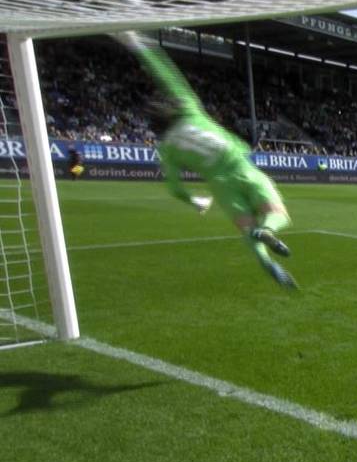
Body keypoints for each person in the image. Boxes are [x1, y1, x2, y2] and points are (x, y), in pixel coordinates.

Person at [111, 30, 297, 289]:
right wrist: (137, 43)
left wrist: (194, 200)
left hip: (221, 186)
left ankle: (267, 263)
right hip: (242, 167)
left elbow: (174, 188)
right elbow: (168, 76)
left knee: (246, 229)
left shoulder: (167, 149)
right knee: (277, 213)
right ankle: (268, 230)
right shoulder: (188, 108)